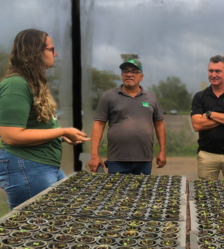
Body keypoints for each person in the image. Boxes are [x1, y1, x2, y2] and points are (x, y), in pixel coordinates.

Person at [0, 29, 90, 210]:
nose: (55, 54)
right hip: (28, 166)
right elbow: (11, 135)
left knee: (57, 219)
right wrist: (62, 131)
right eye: (51, 49)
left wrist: (57, 136)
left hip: (43, 166)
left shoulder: (33, 82)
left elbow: (33, 125)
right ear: (35, 51)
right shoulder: (15, 84)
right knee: (32, 229)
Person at [88, 59, 166, 174]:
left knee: (142, 191)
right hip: (117, 160)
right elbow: (98, 125)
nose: (129, 74)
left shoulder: (151, 97)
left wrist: (162, 151)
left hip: (144, 160)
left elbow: (159, 125)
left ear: (141, 76)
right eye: (126, 71)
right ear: (121, 75)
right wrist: (94, 155)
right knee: (116, 191)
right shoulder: (109, 96)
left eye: (134, 71)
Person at [191, 55, 224, 180]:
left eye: (218, 71)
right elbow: (197, 125)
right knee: (207, 195)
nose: (213, 75)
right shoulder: (200, 96)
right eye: (211, 71)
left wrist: (210, 114)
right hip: (207, 155)